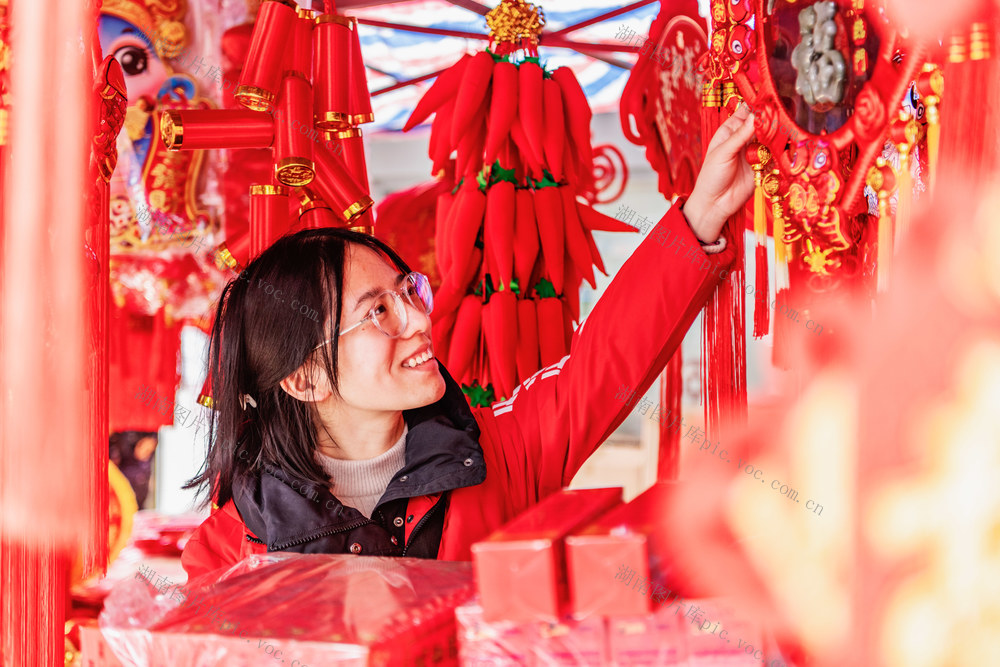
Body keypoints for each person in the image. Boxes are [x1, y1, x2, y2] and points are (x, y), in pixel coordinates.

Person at [181, 105, 756, 579]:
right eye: (378, 311)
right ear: (305, 378)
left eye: (408, 292)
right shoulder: (234, 548)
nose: (417, 320)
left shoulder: (497, 456)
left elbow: (605, 361)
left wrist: (697, 220)